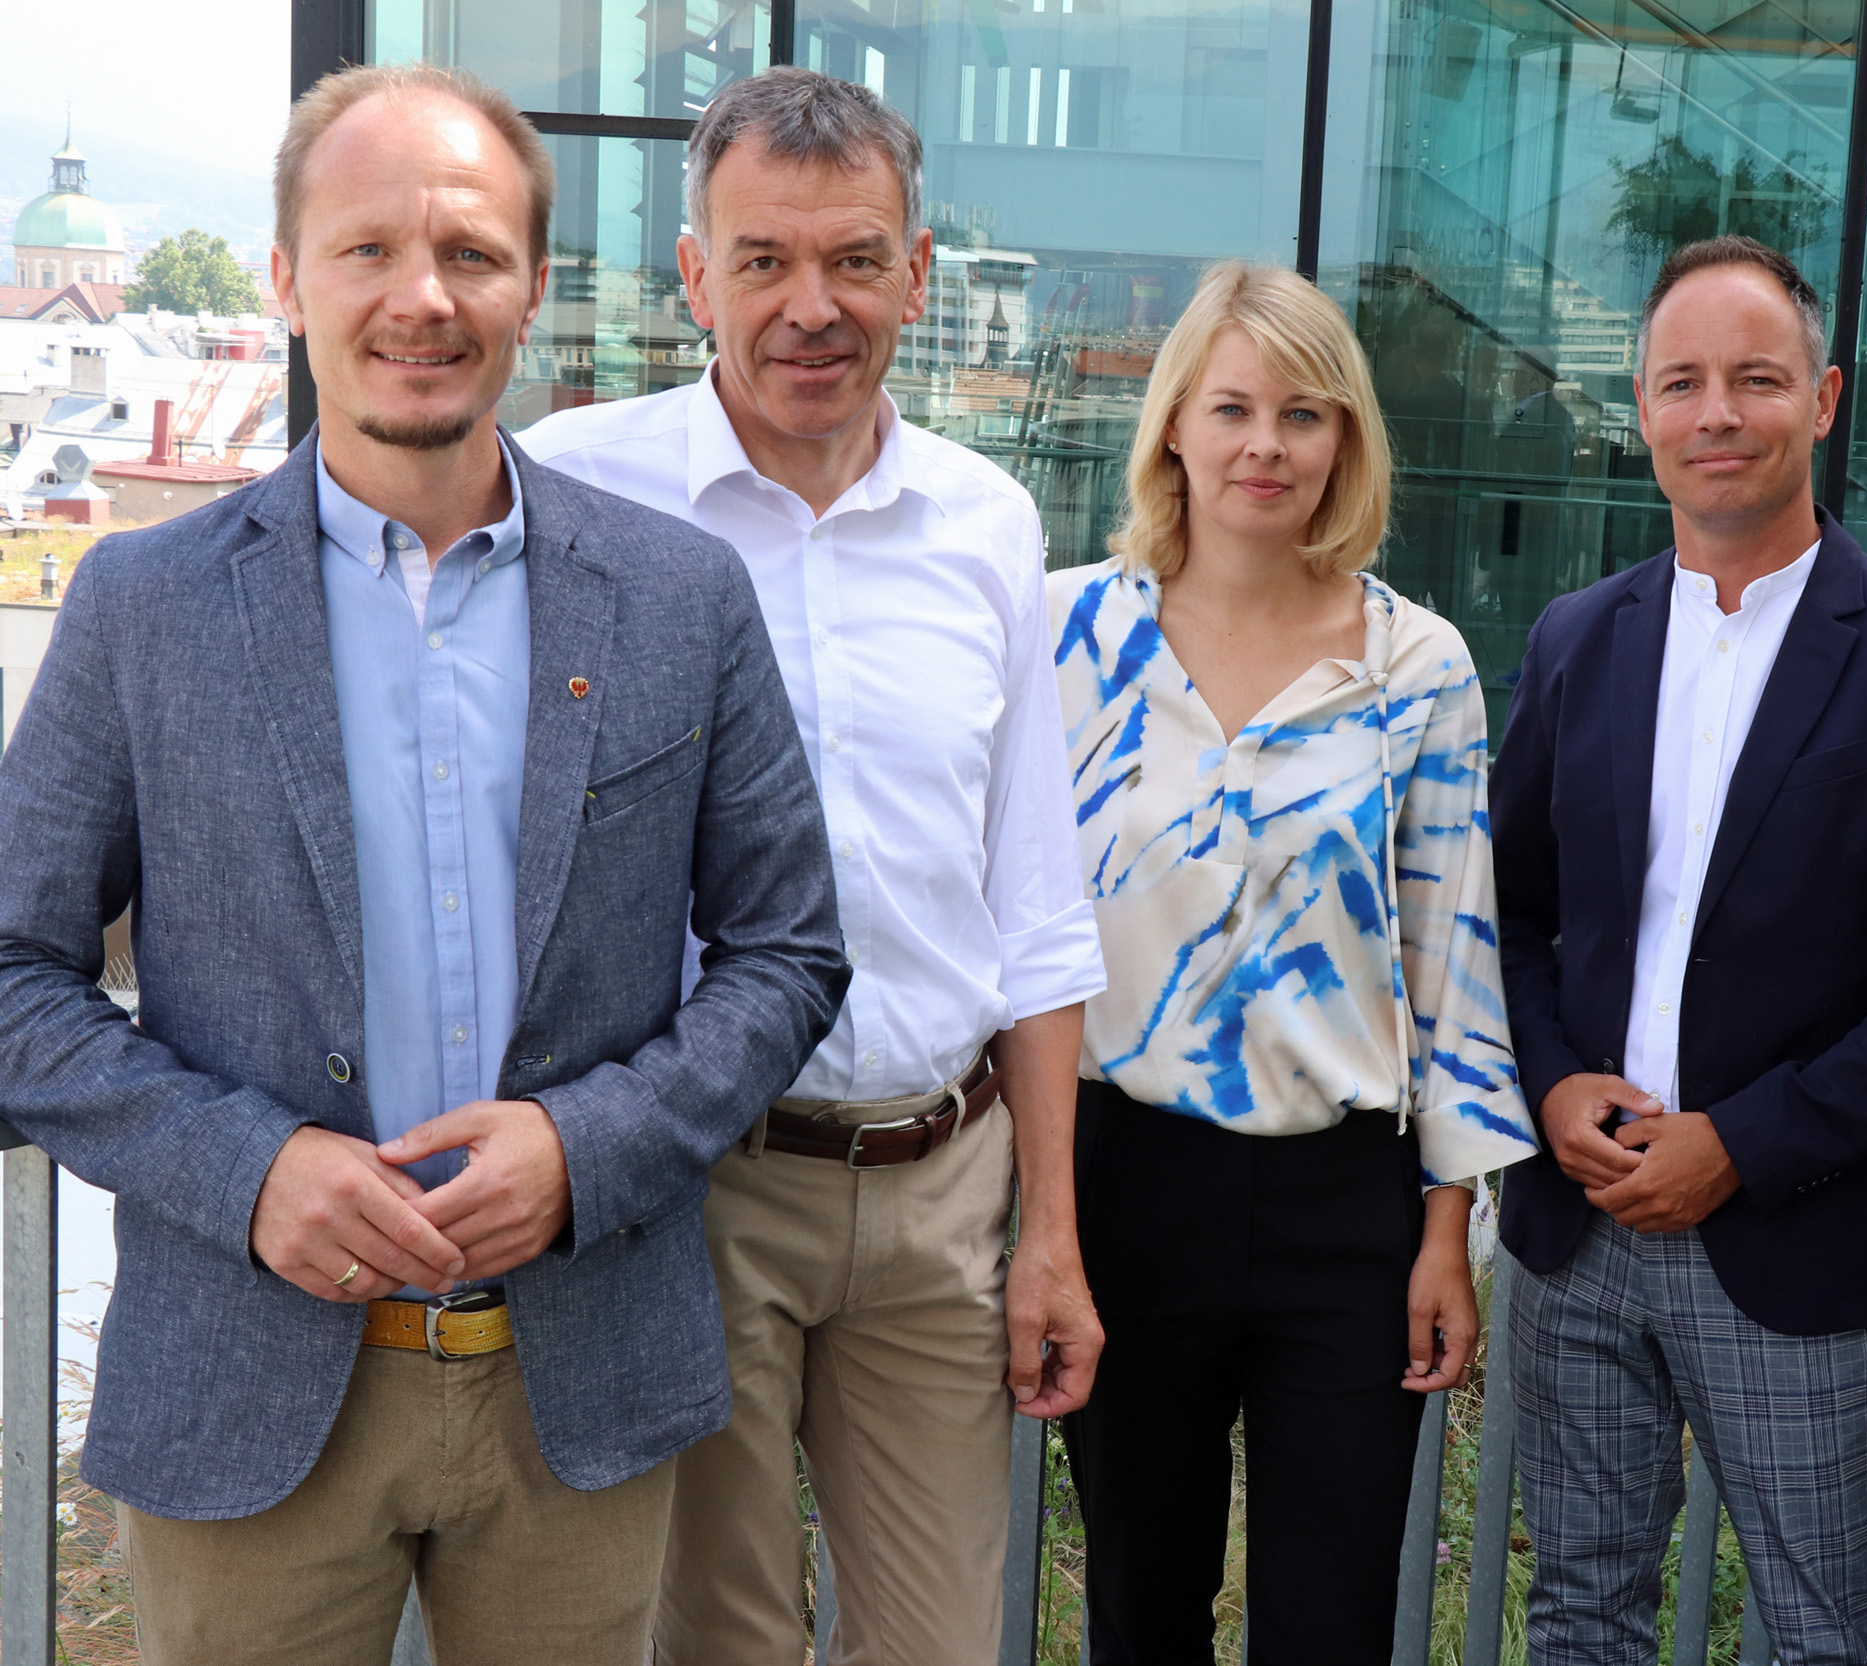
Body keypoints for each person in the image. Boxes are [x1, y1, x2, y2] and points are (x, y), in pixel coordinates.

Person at [0, 64, 846, 1665]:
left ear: (533, 284)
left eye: (469, 252)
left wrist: (587, 1145)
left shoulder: (679, 599)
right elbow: (11, 973)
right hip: (247, 1385)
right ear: (285, 278)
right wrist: (248, 1170)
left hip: (580, 1387)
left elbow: (791, 951)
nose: (423, 297)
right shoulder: (142, 608)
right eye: (368, 248)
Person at [516, 69, 1106, 1666]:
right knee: (720, 1639)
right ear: (694, 274)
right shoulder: (573, 492)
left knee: (938, 1643)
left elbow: (1034, 904)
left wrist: (1049, 1231)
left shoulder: (988, 523)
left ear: (917, 274)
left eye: (854, 259)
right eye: (763, 259)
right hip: (691, 1187)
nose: (811, 306)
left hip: (941, 1185)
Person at [1486, 235, 1867, 1666]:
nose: (1717, 413)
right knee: (1580, 1616)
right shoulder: (1576, 638)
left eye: (1757, 379)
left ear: (1825, 398)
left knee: (1824, 1633)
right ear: (1643, 409)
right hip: (1576, 1228)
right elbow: (1512, 912)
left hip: (1803, 1238)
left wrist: (1741, 1142)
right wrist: (1551, 1083)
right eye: (1681, 382)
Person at [1048, 261, 1538, 1665]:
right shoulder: (1069, 636)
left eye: (1304, 414)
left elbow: (1453, 958)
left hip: (1350, 1206)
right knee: (1141, 1609)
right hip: (1129, 1183)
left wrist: (1448, 1230)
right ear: (1174, 427)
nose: (1266, 445)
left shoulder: (1419, 666)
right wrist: (1040, 1221)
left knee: (1331, 1624)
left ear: (1346, 441)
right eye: (1234, 409)